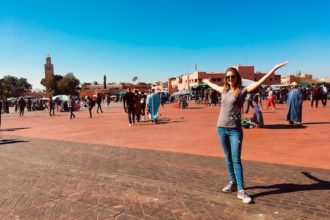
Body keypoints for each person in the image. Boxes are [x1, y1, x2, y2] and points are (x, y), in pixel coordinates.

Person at [202, 61, 288, 204]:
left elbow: (259, 82)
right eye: (228, 77)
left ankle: (241, 190)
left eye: (233, 77)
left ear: (237, 77)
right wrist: (206, 81)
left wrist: (273, 68)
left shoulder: (242, 91)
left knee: (236, 159)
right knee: (228, 157)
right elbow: (214, 86)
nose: (230, 79)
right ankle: (232, 182)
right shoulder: (224, 90)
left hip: (235, 130)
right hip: (221, 128)